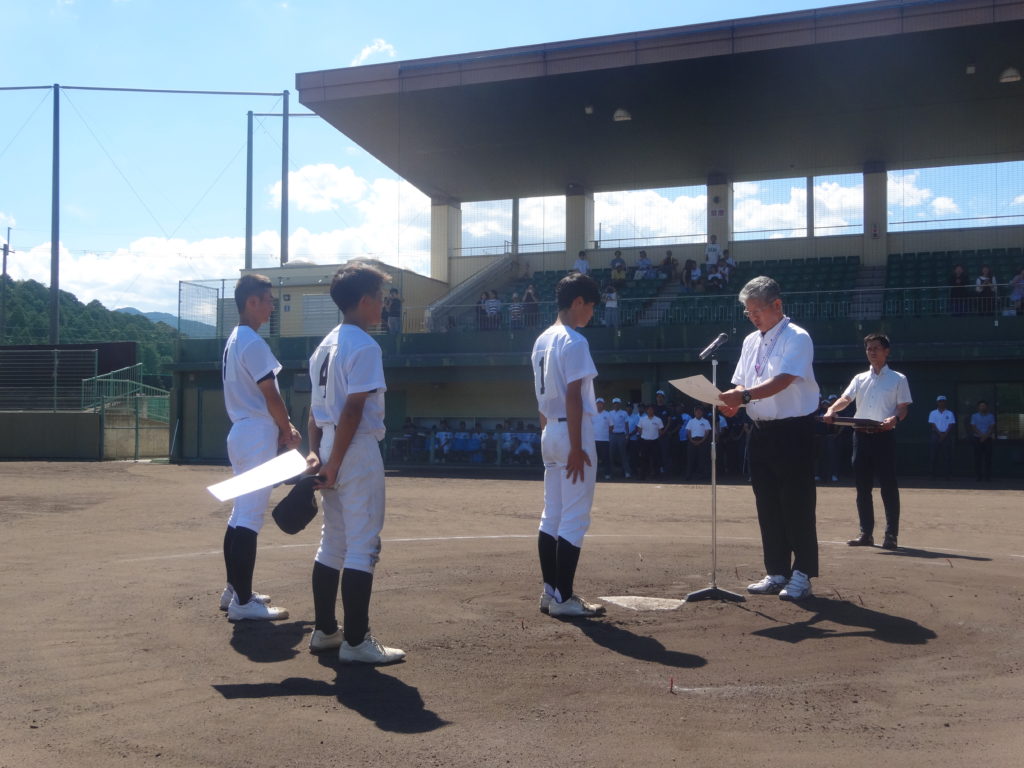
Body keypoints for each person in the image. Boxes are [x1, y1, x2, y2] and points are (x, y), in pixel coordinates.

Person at [305, 263, 405, 663]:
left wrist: (316, 453)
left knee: (333, 542)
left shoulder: (323, 346)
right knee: (362, 545)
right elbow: (353, 410)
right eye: (379, 298)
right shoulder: (364, 345)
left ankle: (325, 631)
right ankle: (357, 641)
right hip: (355, 448)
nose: (383, 305)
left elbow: (314, 411)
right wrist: (335, 461)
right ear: (364, 301)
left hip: (330, 443)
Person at [719, 276, 820, 601]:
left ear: (777, 305)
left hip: (794, 431)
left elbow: (783, 380)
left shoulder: (797, 337)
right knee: (767, 504)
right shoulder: (751, 341)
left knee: (797, 503)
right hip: (760, 431)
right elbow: (741, 382)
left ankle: (802, 573)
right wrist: (732, 399)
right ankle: (777, 570)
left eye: (757, 311)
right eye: (748, 312)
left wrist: (744, 396)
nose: (752, 317)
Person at [219, 274, 299, 621]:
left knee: (240, 514)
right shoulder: (251, 341)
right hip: (255, 433)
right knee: (249, 517)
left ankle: (234, 591)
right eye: (268, 300)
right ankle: (243, 602)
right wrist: (288, 428)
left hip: (242, 431)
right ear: (251, 302)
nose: (272, 306)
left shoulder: (235, 339)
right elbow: (271, 395)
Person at [530, 272, 606, 617]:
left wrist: (550, 436)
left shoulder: (541, 339)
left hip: (549, 430)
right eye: (590, 306)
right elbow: (574, 396)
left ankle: (551, 593)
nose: (591, 312)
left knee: (552, 515)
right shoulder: (574, 341)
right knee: (574, 518)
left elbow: (541, 397)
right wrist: (576, 447)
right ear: (578, 302)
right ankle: (564, 598)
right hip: (572, 432)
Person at [823, 333, 912, 551]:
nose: (872, 352)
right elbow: (846, 399)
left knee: (888, 487)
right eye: (868, 349)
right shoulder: (859, 378)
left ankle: (891, 535)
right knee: (862, 488)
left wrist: (894, 419)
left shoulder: (898, 378)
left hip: (884, 436)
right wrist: (832, 409)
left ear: (886, 351)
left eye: (876, 348)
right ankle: (866, 533)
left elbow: (903, 408)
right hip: (860, 436)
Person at [928, 396, 956, 479]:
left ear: (945, 402)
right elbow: (932, 424)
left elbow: (951, 424)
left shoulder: (950, 413)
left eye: (943, 401)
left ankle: (948, 475)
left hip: (947, 435)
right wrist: (940, 434)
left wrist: (944, 434)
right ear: (937, 402)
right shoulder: (933, 413)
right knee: (933, 455)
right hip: (935, 435)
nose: (942, 402)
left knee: (947, 456)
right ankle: (932, 474)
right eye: (940, 401)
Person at [635, 403, 664, 481]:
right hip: (644, 442)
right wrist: (644, 435)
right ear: (646, 411)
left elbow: (660, 431)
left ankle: (656, 475)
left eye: (651, 409)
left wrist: (656, 436)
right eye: (648, 409)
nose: (650, 411)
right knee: (644, 459)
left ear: (653, 411)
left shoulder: (658, 420)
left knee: (656, 459)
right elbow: (639, 429)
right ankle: (643, 476)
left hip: (655, 442)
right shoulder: (642, 419)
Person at [969, 400, 995, 482]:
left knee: (988, 459)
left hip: (988, 439)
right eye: (981, 406)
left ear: (987, 407)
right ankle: (978, 476)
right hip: (977, 439)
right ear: (978, 407)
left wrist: (985, 436)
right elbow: (973, 427)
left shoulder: (991, 416)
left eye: (984, 406)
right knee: (977, 458)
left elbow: (991, 427)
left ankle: (988, 477)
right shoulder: (974, 416)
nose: (983, 407)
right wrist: (981, 435)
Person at [684, 405, 711, 481]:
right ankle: (689, 475)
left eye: (700, 411)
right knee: (691, 459)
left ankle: (703, 475)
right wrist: (691, 440)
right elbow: (688, 432)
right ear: (694, 412)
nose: (698, 412)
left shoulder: (706, 421)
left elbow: (707, 432)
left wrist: (701, 441)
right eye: (697, 411)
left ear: (702, 412)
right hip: (692, 441)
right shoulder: (691, 421)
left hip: (703, 441)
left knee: (702, 459)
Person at [608, 397, 631, 479]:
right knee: (611, 455)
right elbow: (608, 425)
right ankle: (610, 472)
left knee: (623, 454)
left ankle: (627, 472)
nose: (616, 405)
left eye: (617, 403)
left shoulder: (624, 413)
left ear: (619, 404)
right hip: (612, 435)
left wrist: (627, 435)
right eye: (614, 403)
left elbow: (626, 425)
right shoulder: (609, 413)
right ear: (613, 404)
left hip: (621, 435)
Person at [592, 397, 613, 480]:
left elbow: (611, 426)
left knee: (606, 458)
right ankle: (594, 475)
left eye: (601, 403)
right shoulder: (592, 413)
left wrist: (604, 433)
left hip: (604, 440)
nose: (599, 405)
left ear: (603, 404)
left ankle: (607, 474)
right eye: (598, 403)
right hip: (594, 440)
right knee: (594, 459)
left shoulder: (607, 414)